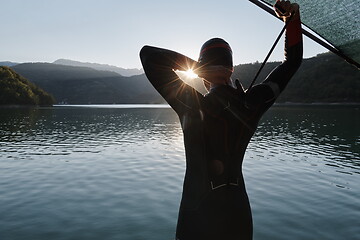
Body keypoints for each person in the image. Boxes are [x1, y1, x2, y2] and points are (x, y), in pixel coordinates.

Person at [139, 1, 302, 239]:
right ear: (232, 69)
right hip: (238, 214)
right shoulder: (253, 102)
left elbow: (148, 56)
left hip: (197, 215)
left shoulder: (193, 105)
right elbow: (293, 62)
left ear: (203, 74)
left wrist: (197, 68)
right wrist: (291, 18)